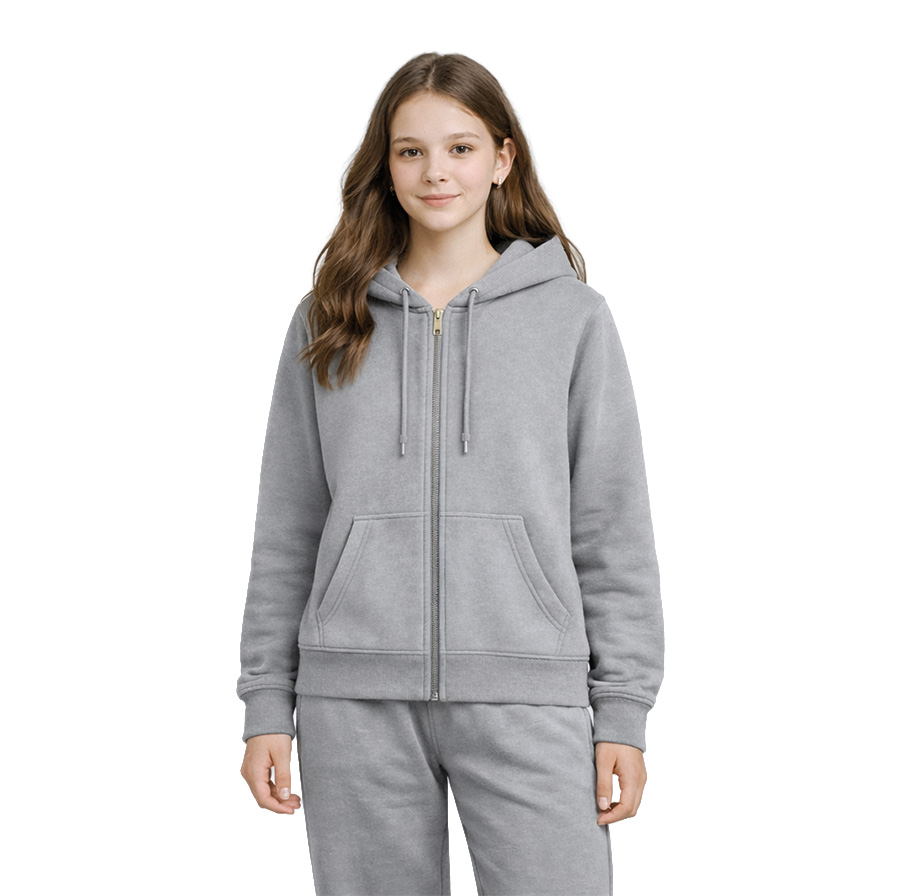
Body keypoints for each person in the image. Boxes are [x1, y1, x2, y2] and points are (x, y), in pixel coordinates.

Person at [236, 51, 664, 896]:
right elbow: (289, 521)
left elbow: (611, 525)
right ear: (386, 165)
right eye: (411, 151)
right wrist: (265, 701)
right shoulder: (331, 318)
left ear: (503, 158)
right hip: (352, 700)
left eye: (461, 148)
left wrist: (623, 709)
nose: (437, 171)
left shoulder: (572, 319)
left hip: (529, 694)